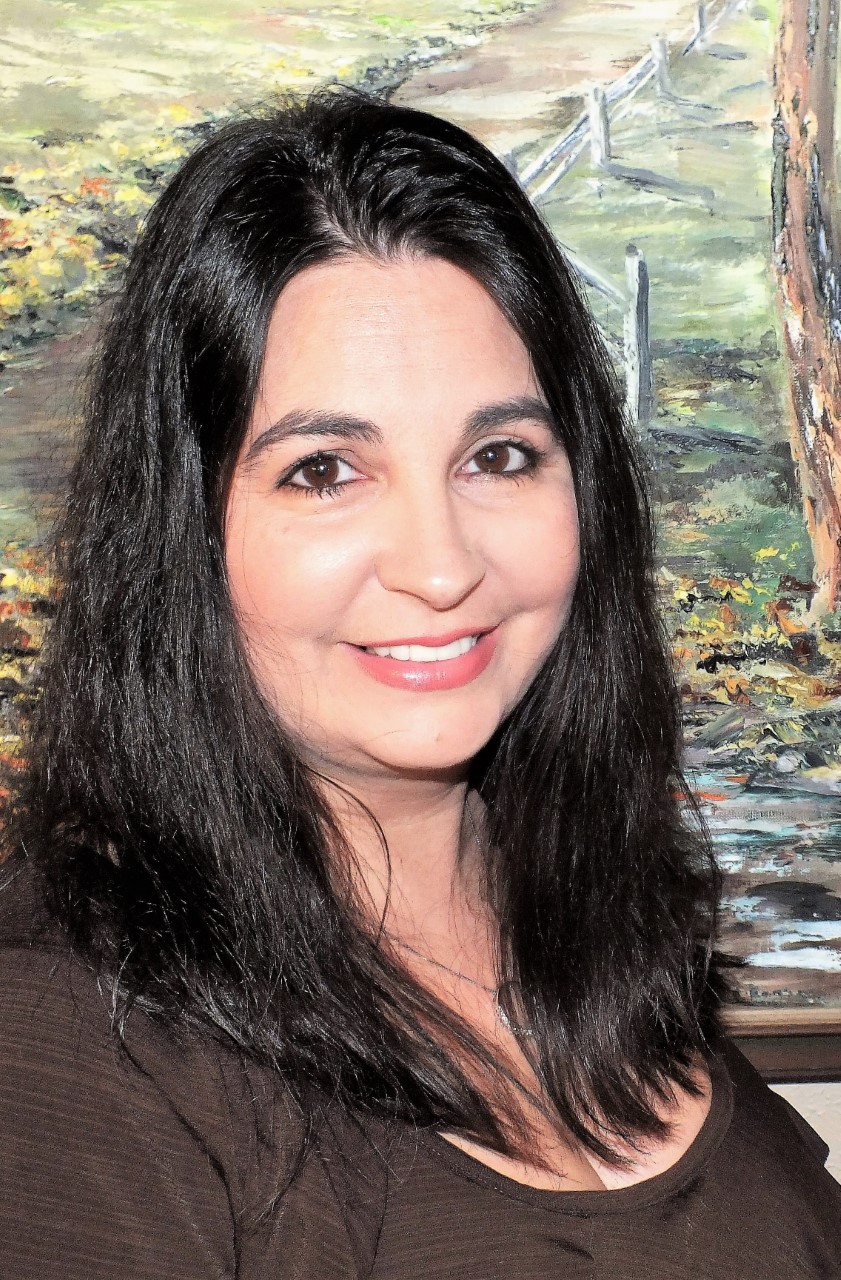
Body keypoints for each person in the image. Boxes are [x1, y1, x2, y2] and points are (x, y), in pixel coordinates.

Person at [0, 88, 838, 1278]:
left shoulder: (606, 936)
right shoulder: (75, 1039)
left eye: (498, 456)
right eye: (324, 470)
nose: (441, 566)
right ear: (184, 527)